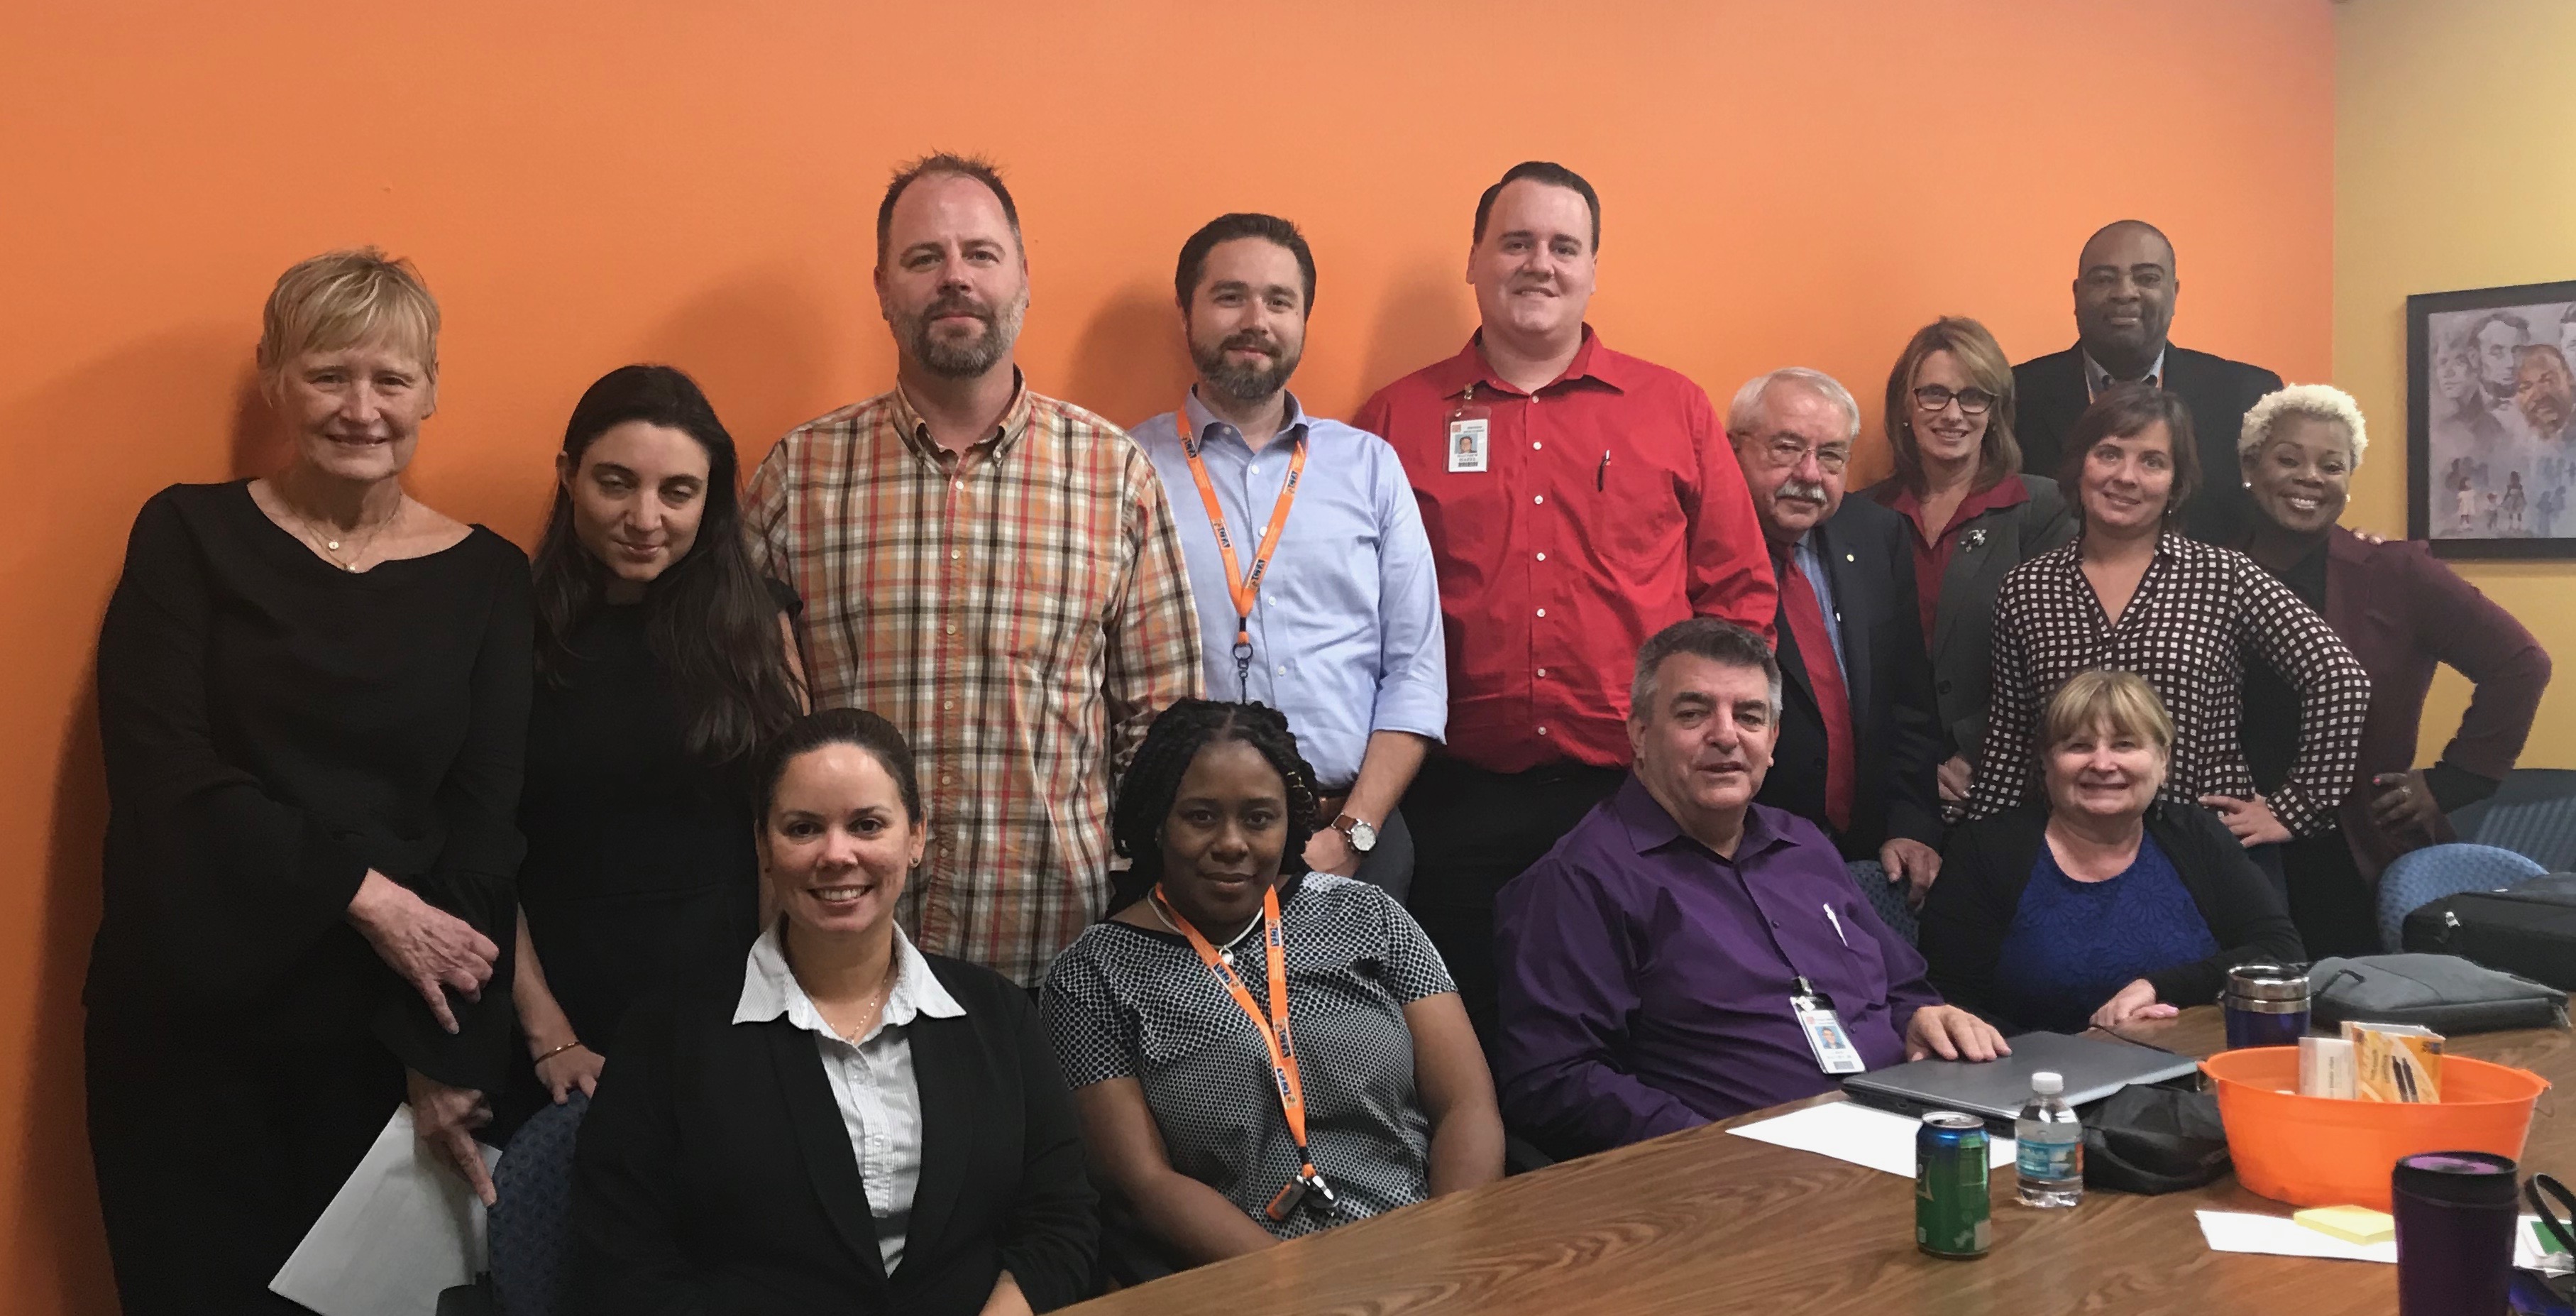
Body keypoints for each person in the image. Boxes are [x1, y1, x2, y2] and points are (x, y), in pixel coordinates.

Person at [85, 248, 531, 1313]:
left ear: (432, 389)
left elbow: (485, 828)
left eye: (391, 379)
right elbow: (164, 774)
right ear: (274, 379)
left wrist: (446, 1048)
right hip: (191, 1034)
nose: (361, 409)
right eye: (329, 375)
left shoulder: (490, 578)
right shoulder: (185, 535)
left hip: (384, 1043)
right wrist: (363, 894)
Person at [745, 153, 1203, 986]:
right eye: (924, 258)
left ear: (1023, 278)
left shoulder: (1114, 476)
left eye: (980, 255)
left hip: (1054, 958)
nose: (954, 277)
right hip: (842, 961)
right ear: (882, 288)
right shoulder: (797, 478)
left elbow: (1163, 730)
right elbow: (756, 724)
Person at [1352, 160, 1776, 1046]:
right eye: (1516, 243)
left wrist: (1713, 741)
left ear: (1591, 268)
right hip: (1458, 803)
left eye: (1563, 246)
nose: (1539, 264)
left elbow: (1737, 596)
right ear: (1475, 260)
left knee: (1654, 1033)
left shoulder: (1674, 407)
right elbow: (1361, 617)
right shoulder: (1394, 420)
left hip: (1638, 798)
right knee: (1473, 1046)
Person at [570, 709, 1096, 1314]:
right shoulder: (665, 1036)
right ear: (763, 846)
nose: (837, 854)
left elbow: (1061, 1218)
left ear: (916, 837)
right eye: (803, 828)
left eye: (867, 825)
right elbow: (623, 1263)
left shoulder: (998, 1014)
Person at [1493, 619, 2005, 1159]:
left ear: (1773, 740)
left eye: (1749, 716)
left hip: (1905, 1126)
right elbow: (1554, 1080)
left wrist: (1925, 1018)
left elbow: (1904, 990)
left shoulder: (1804, 846)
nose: (1725, 735)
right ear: (1640, 734)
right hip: (1739, 1175)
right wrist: (1715, 1149)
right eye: (1693, 714)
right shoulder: (1581, 880)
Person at [1042, 701, 1499, 1274]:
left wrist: (1447, 1256)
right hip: (1246, 1281)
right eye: (1201, 817)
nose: (1232, 843)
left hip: (1426, 1253)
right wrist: (1301, 1288)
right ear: (1159, 822)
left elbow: (1467, 1106)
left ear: (1290, 824)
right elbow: (1143, 1185)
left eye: (1259, 819)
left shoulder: (1368, 917)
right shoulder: (1093, 977)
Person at [505, 365, 808, 1118]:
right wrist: (549, 1035)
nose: (646, 518)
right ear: (568, 476)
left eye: (678, 492)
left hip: (726, 1003)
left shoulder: (756, 624)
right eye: (616, 484)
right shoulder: (506, 623)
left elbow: (787, 828)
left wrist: (776, 1007)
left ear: (710, 499)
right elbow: (477, 849)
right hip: (553, 1016)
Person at [1129, 214, 1445, 900]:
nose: (1256, 321)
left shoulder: (1369, 467)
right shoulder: (1126, 469)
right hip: (1190, 846)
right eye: (1229, 297)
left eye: (1280, 301)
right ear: (1186, 311)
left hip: (1356, 832)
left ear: (1303, 318)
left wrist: (1354, 833)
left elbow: (1416, 671)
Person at [1964, 385, 2372, 887]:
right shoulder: (2028, 588)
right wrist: (1979, 854)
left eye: (2152, 462)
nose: (2126, 477)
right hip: (2065, 857)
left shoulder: (2222, 576)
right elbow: (2010, 737)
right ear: (2079, 465)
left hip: (2204, 855)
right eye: (2109, 454)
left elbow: (2340, 680)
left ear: (2176, 482)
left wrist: (2296, 808)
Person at [2233, 384, 2549, 957]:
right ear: (2250, 468)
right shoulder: (2206, 572)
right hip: (2232, 847)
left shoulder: (2394, 572)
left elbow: (2520, 664)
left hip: (2352, 854)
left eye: (2332, 465)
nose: (2311, 477)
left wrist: (2454, 781)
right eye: (2289, 459)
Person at [1922, 671, 2306, 1033]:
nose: (2103, 764)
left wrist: (2158, 987)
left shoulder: (2196, 835)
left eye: (2125, 745)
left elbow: (2281, 953)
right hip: (2034, 1073)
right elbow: (1949, 1002)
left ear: (2163, 761)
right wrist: (2093, 1048)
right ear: (2047, 762)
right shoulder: (1986, 850)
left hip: (2187, 1065)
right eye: (2079, 746)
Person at [1723, 368, 1945, 898]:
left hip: (1868, 853)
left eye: (1831, 456)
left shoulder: (1877, 534)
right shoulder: (1696, 547)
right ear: (1733, 449)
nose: (1809, 474)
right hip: (1738, 854)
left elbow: (1908, 701)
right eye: (1786, 448)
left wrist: (1912, 824)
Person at [1861, 317, 2075, 813]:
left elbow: (2056, 656)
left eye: (1974, 396)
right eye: (1934, 394)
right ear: (1906, 406)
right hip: (1887, 780)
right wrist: (1910, 768)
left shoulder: (2041, 510)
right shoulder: (1864, 515)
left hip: (2004, 779)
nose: (1953, 414)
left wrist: (1971, 755)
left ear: (1995, 411)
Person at [2012, 220, 2286, 544]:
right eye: (2104, 279)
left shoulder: (2248, 397)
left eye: (2147, 278)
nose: (2125, 293)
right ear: (2076, 294)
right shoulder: (2016, 395)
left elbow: (2281, 521)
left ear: (2174, 293)